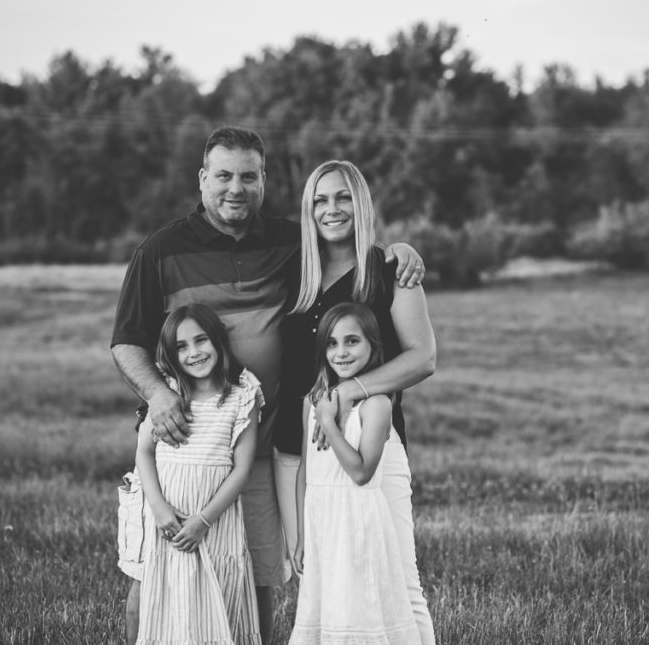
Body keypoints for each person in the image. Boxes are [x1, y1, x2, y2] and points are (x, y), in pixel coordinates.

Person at [111, 126, 425, 643]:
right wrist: (159, 394)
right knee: (154, 576)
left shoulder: (290, 242)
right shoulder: (160, 250)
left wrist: (398, 250)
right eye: (224, 175)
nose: (236, 188)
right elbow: (126, 341)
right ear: (202, 179)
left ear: (263, 181)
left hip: (262, 438)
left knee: (255, 574)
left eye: (249, 176)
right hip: (183, 441)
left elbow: (346, 240)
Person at [274, 160, 436, 643]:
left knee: (397, 580)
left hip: (371, 446)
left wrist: (349, 390)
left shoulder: (389, 271)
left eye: (343, 197)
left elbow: (423, 357)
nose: (332, 209)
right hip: (298, 449)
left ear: (360, 203)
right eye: (320, 200)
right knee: (319, 582)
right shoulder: (294, 271)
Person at [289, 303, 420, 644]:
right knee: (327, 603)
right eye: (332, 344)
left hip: (357, 518)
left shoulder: (376, 404)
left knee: (359, 604)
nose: (341, 352)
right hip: (322, 519)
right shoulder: (312, 400)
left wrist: (329, 423)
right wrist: (302, 534)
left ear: (372, 346)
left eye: (352, 342)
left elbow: (361, 472)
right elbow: (306, 470)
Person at [134, 304, 261, 644]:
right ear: (171, 355)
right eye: (181, 347)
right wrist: (160, 510)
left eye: (201, 340)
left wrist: (202, 520)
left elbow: (242, 469)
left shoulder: (242, 396)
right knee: (172, 609)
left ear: (218, 341)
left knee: (217, 605)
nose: (194, 353)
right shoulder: (169, 394)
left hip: (214, 525)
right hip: (169, 524)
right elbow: (144, 452)